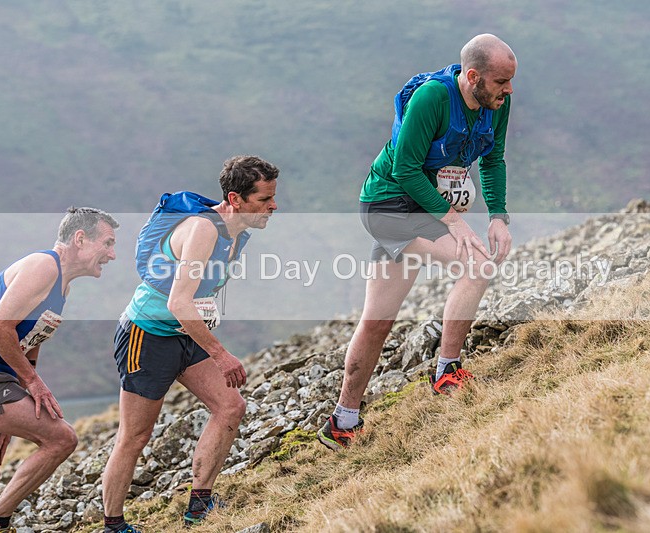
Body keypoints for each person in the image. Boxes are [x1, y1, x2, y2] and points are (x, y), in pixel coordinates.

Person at [318, 34, 518, 451]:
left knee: (377, 320)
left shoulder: (497, 103)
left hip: (423, 207)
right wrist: (456, 225)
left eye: (511, 81)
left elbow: (493, 158)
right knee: (477, 265)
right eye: (501, 81)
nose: (509, 90)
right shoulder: (433, 99)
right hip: (389, 204)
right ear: (473, 75)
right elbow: (407, 169)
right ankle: (447, 372)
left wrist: (498, 216)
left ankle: (342, 420)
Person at [101, 155, 279, 532]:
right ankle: (113, 524)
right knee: (135, 436)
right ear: (235, 198)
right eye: (264, 199)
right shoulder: (203, 229)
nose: (273, 206)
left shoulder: (238, 233)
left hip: (186, 334)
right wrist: (221, 353)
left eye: (273, 197)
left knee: (230, 406)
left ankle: (199, 506)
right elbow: (177, 302)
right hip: (146, 335)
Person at [0, 207, 119, 532]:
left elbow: (31, 338)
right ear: (80, 239)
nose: (112, 255)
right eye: (108, 244)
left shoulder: (62, 286)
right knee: (62, 439)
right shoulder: (43, 267)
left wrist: (23, 386)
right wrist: (33, 383)